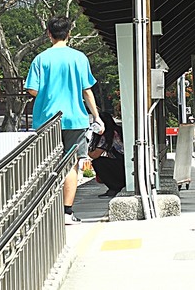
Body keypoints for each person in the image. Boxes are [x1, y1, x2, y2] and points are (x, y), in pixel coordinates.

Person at [25, 16, 103, 225]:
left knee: (47, 164)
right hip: (75, 119)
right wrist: (96, 117)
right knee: (71, 165)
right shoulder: (79, 58)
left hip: (46, 120)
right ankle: (67, 212)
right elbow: (87, 90)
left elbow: (32, 89)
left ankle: (46, 210)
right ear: (69, 34)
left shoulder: (40, 59)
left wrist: (48, 93)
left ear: (49, 34)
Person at [88, 111, 125, 198]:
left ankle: (114, 187)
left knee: (98, 162)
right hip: (125, 165)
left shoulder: (109, 135)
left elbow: (94, 155)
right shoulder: (118, 130)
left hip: (122, 165)